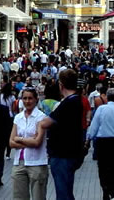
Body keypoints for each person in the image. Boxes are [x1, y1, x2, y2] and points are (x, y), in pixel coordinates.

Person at [41, 69, 85, 200]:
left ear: (61, 85)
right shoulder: (77, 101)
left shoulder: (68, 103)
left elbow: (46, 123)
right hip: (71, 152)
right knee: (65, 190)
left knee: (63, 193)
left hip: (63, 154)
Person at [9, 88, 49, 200]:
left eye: (30, 98)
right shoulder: (18, 117)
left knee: (38, 197)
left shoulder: (41, 118)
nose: (27, 101)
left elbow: (37, 142)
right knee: (19, 197)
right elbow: (11, 142)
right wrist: (28, 141)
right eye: (25, 98)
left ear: (36, 99)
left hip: (37, 162)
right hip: (19, 163)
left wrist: (19, 138)